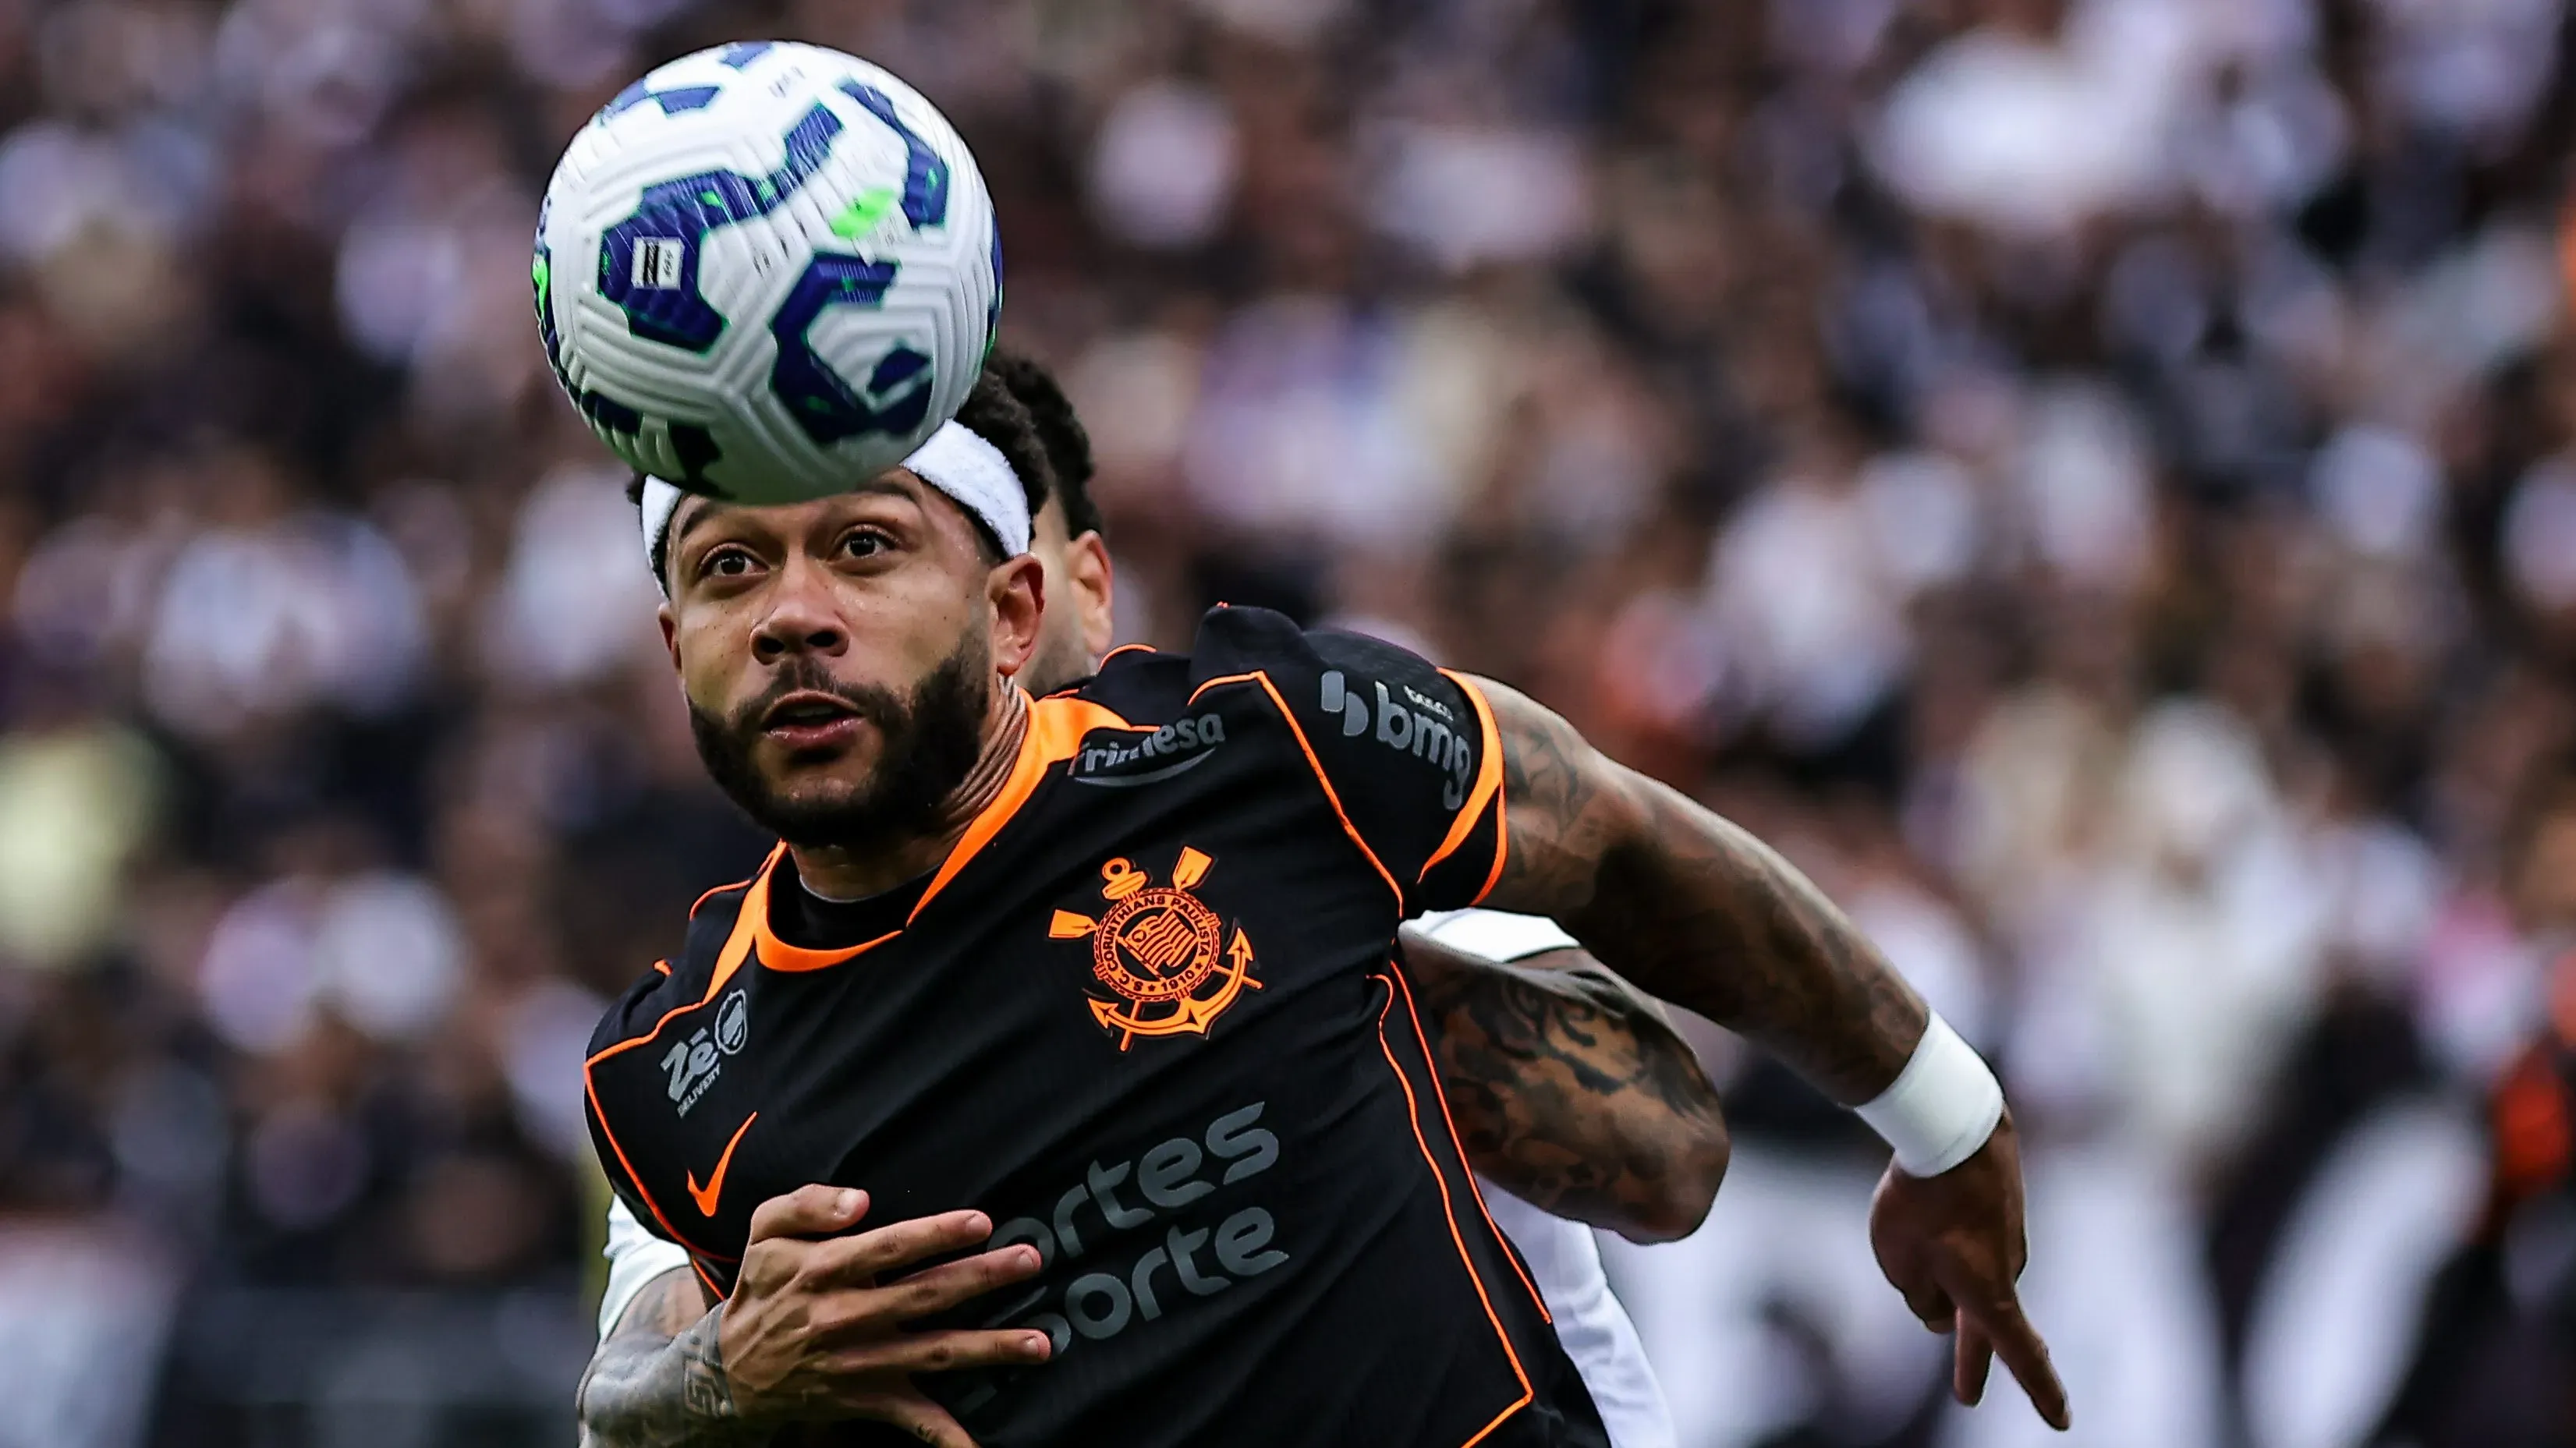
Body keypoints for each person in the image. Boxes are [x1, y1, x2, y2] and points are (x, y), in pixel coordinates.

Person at [576, 358, 2068, 1446]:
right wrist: (725, 1379)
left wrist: (1940, 1115)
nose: (790, 617)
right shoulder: (674, 1062)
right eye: (726, 569)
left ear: (1024, 602)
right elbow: (627, 1387)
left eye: (863, 546)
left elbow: (1662, 1133)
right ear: (673, 645)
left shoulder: (1271, 768)